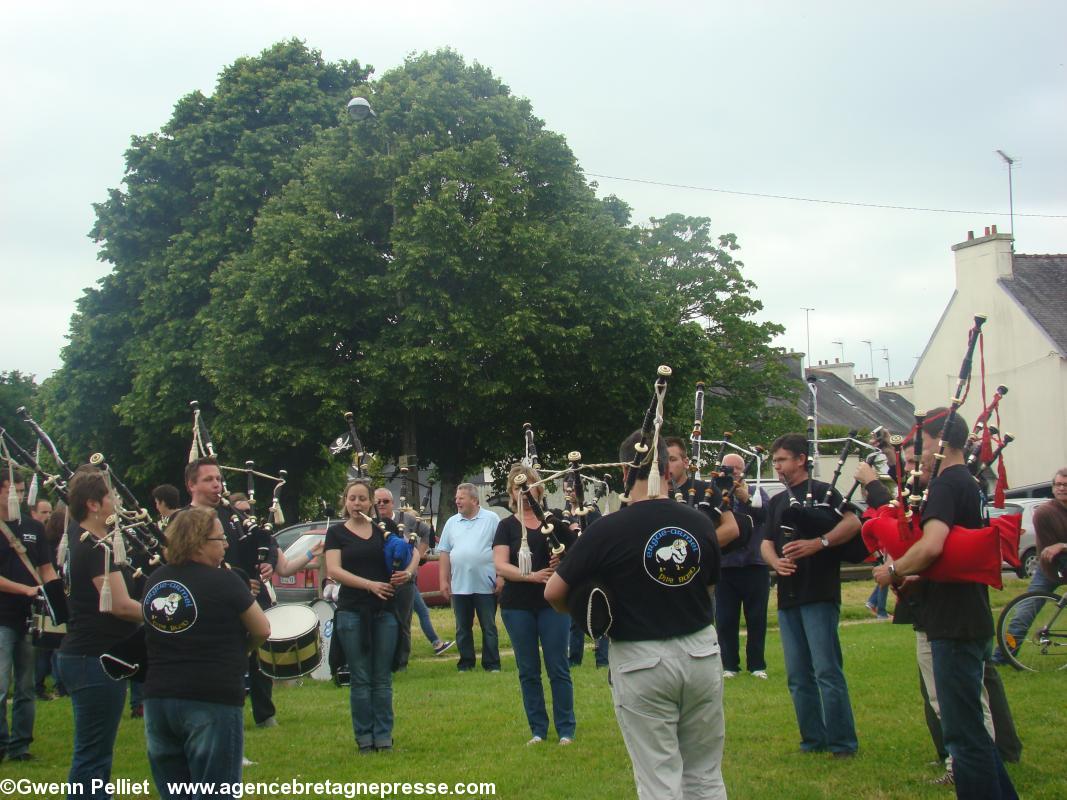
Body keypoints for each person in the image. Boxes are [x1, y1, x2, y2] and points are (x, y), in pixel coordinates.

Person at [546, 431, 729, 799]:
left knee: (659, 778)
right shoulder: (698, 522)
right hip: (700, 652)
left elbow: (554, 592)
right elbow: (708, 588)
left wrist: (585, 619)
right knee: (705, 774)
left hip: (641, 659)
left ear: (628, 468)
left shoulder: (608, 529)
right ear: (664, 464)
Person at [874, 409, 1018, 799]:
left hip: (952, 621)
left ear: (942, 442)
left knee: (962, 734)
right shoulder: (967, 482)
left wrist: (894, 570)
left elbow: (933, 545)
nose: (916, 451)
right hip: (969, 613)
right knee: (970, 727)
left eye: (921, 441)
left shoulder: (945, 486)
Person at [141, 506, 270, 798]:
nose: (225, 545)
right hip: (211, 696)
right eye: (219, 539)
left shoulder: (155, 580)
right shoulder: (225, 581)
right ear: (198, 542)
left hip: (159, 698)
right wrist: (242, 650)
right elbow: (261, 628)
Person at [759, 433, 861, 758]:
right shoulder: (777, 502)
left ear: (801, 459)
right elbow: (765, 542)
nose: (778, 467)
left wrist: (819, 543)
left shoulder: (824, 492)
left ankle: (842, 743)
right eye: (774, 461)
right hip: (789, 595)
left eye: (783, 460)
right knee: (798, 675)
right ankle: (812, 740)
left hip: (818, 592)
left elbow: (853, 522)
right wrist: (776, 562)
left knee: (827, 671)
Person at [55, 468, 143, 799]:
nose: (117, 501)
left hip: (88, 656)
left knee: (96, 754)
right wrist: (163, 615)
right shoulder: (95, 547)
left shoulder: (87, 541)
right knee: (92, 756)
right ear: (94, 504)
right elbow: (119, 605)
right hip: (93, 658)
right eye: (111, 496)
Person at [325, 478, 417, 752]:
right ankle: (364, 738)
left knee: (382, 677)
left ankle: (384, 736)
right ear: (345, 501)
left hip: (385, 610)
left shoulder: (384, 530)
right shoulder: (337, 534)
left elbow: (412, 552)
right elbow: (334, 570)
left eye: (362, 499)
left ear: (371, 503)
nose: (357, 504)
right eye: (352, 498)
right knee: (361, 677)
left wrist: (407, 573)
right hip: (353, 611)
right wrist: (369, 585)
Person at [185, 461, 278, 729]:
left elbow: (262, 542)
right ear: (192, 485)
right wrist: (236, 582)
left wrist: (266, 561)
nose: (217, 484)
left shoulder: (230, 515)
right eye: (208, 480)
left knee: (253, 657)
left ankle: (263, 712)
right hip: (209, 605)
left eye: (219, 478)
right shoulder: (184, 520)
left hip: (243, 596)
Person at [493, 464, 577, 745]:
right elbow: (501, 565)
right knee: (528, 669)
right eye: (518, 487)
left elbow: (578, 553)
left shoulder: (553, 522)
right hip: (517, 605)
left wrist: (561, 560)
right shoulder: (505, 527)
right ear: (511, 492)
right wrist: (531, 576)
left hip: (553, 603)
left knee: (558, 666)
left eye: (528, 486)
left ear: (539, 488)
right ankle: (538, 730)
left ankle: (566, 729)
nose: (524, 492)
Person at [0, 470, 57, 762]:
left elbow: (46, 568)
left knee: (24, 685)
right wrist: (24, 589)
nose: (19, 497)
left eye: (22, 491)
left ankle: (20, 746)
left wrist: (57, 598)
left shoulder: (33, 526)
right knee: (0, 685)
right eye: (13, 490)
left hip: (29, 616)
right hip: (2, 616)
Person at [995, 467, 1067, 663]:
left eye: (1065, 485)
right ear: (1052, 488)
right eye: (1058, 484)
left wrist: (1062, 545)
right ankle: (1003, 656)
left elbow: (1059, 546)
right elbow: (1050, 550)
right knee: (1023, 613)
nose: (1062, 488)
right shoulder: (1045, 512)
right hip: (1051, 568)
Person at [373, 488, 451, 664]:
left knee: (404, 621)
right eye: (378, 502)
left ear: (392, 503)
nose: (381, 505)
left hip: (406, 579)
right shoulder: (371, 523)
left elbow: (426, 534)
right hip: (380, 580)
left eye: (385, 501)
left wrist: (420, 554)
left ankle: (401, 662)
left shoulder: (406, 519)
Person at [714, 452, 771, 679]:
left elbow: (765, 516)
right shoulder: (715, 494)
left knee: (756, 618)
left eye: (737, 469)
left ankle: (757, 665)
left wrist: (745, 498)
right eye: (728, 469)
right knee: (726, 619)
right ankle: (729, 665)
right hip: (725, 566)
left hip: (754, 564)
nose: (733, 473)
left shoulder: (757, 492)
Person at [438, 483, 501, 672]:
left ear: (474, 500)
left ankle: (492, 664)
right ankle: (466, 663)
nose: (457, 501)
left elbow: (500, 549)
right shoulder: (451, 523)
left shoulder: (492, 519)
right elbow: (444, 552)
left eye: (461, 498)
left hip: (486, 585)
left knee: (488, 627)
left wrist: (502, 577)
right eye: (456, 498)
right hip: (460, 586)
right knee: (462, 628)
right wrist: (443, 580)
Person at [665, 436, 706, 503]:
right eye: (662, 460)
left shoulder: (705, 489)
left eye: (672, 459)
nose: (666, 465)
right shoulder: (650, 495)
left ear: (686, 462)